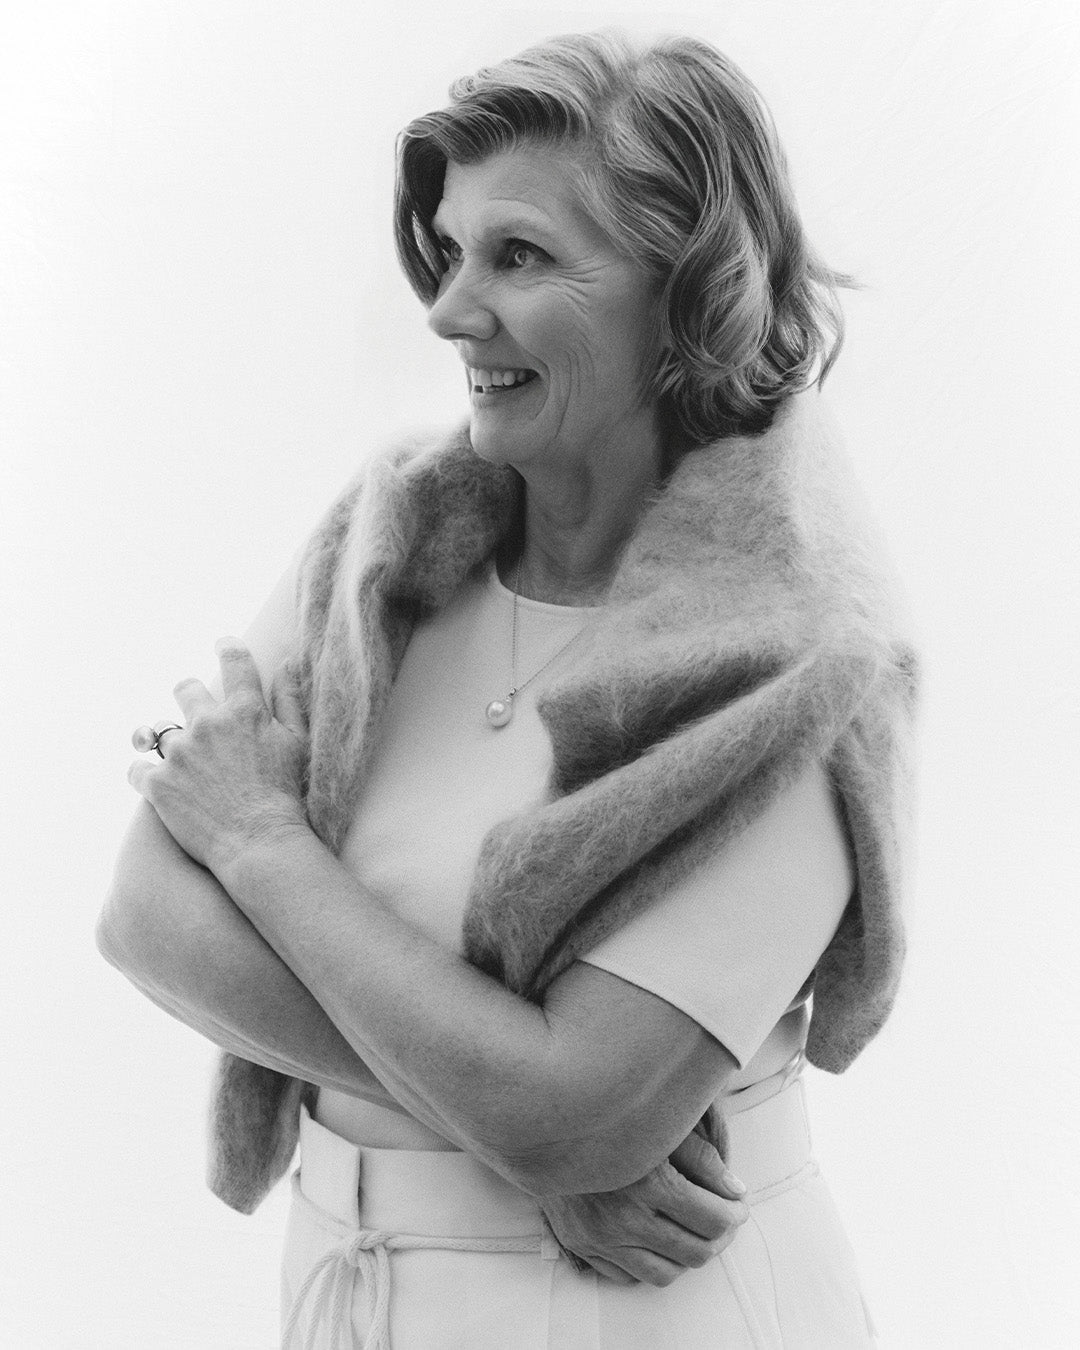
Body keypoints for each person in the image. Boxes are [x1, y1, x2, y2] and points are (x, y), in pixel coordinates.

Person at [98, 30, 916, 1349]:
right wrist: (514, 1128)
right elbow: (143, 914)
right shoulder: (387, 543)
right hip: (352, 1287)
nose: (447, 309)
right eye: (450, 249)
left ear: (688, 292)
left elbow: (578, 1104)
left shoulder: (796, 659)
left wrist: (258, 842)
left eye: (520, 255)